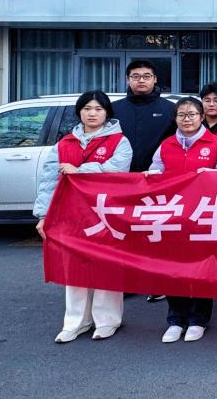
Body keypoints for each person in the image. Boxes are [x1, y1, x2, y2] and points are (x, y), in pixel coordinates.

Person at [33, 90, 133, 343]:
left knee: (106, 265)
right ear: (79, 112)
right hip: (70, 214)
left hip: (105, 214)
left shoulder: (119, 141)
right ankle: (76, 321)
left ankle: (107, 320)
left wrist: (79, 170)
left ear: (107, 113)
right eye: (87, 108)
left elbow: (117, 171)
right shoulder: (64, 143)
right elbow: (49, 181)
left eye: (98, 109)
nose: (92, 113)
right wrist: (43, 215)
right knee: (74, 267)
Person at [147, 97, 217, 343]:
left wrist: (212, 174)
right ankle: (175, 319)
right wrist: (150, 176)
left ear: (202, 117)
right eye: (182, 115)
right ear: (175, 118)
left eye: (192, 115)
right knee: (172, 268)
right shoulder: (166, 145)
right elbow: (156, 172)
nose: (187, 119)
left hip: (203, 215)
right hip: (172, 215)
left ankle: (198, 320)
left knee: (201, 268)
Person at [112, 60, 176, 303]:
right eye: (136, 76)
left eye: (146, 76)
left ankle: (157, 281)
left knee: (156, 231)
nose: (141, 80)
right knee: (125, 232)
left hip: (158, 182)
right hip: (122, 182)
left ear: (155, 79)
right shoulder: (114, 110)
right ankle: (129, 280)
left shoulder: (170, 109)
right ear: (127, 79)